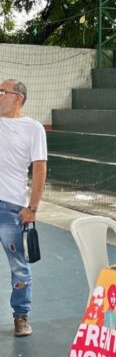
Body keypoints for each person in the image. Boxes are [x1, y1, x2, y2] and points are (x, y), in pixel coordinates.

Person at [0, 79, 46, 337]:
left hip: (11, 209)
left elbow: (40, 168)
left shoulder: (33, 129)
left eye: (1, 92)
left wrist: (33, 207)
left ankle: (21, 316)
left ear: (18, 97)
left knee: (19, 266)